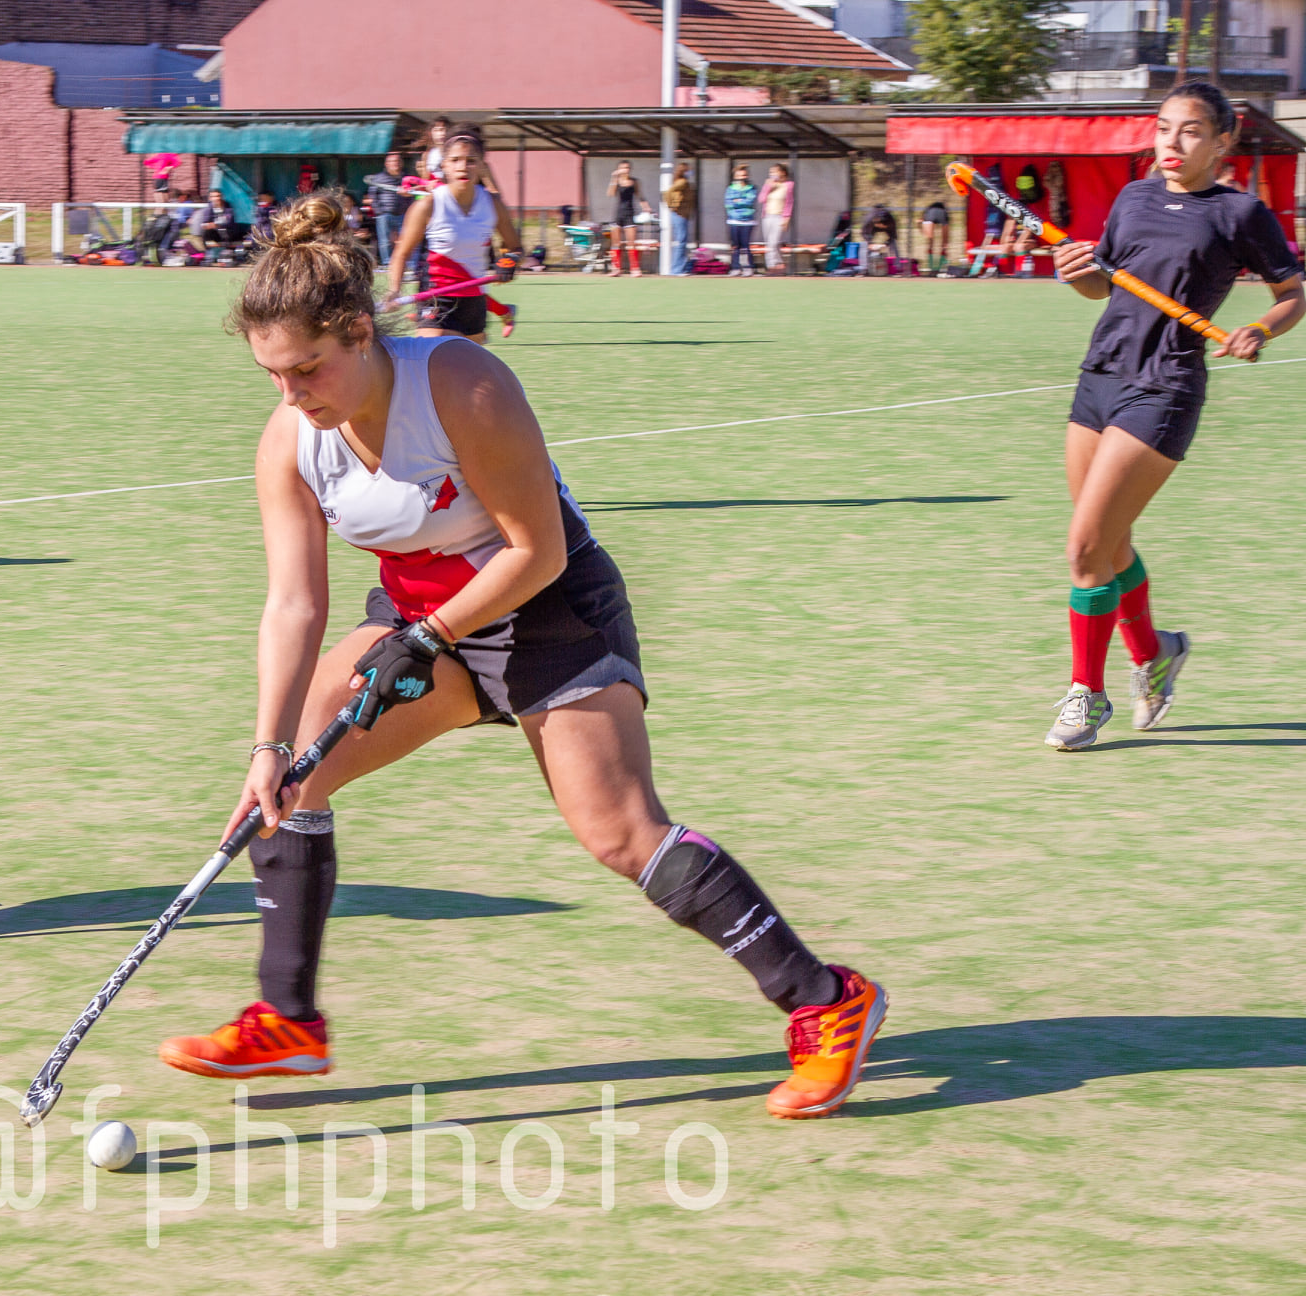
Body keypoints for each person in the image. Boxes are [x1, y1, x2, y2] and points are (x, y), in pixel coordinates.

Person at [154, 195, 888, 1121]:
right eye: (273, 377)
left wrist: (423, 640)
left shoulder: (459, 383)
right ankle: (289, 1022)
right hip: (428, 622)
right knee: (294, 778)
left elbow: (533, 548)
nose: (294, 396)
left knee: (619, 833)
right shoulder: (291, 440)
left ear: (358, 333)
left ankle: (825, 1002)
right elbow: (295, 602)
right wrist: (263, 747)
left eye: (308, 370)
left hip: (549, 616)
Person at [1044, 82, 1304, 750]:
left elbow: (1293, 293)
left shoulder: (1240, 213)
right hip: (1100, 375)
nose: (1171, 143)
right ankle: (1156, 651)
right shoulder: (1134, 197)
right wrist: (1077, 272)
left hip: (1165, 386)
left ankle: (1086, 695)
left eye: (1189, 131)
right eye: (1163, 128)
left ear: (1223, 141)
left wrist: (1260, 330)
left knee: (1083, 548)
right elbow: (1105, 281)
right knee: (1107, 542)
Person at [386, 127, 522, 343]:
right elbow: (401, 253)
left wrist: (509, 261)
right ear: (444, 166)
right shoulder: (429, 205)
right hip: (435, 296)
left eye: (471, 161)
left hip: (474, 300)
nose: (463, 167)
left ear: (481, 166)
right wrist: (394, 290)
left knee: (469, 371)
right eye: (455, 160)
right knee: (433, 355)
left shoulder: (493, 205)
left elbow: (515, 248)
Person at [363, 152, 412, 265]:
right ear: (386, 164)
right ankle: (387, 264)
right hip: (384, 214)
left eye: (398, 161)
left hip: (403, 214)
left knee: (405, 240)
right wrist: (379, 211)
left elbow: (411, 195)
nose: (395, 164)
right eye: (392, 161)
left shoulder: (407, 178)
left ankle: (405, 264)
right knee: (385, 241)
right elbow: (373, 195)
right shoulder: (379, 178)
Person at [604, 160, 649, 277]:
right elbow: (610, 193)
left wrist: (645, 206)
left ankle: (634, 268)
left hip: (629, 214)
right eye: (623, 168)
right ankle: (616, 268)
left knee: (631, 242)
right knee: (616, 243)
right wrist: (614, 178)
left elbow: (640, 196)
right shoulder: (617, 181)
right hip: (618, 214)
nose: (625, 170)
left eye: (627, 167)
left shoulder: (634, 182)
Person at [724, 164, 758, 276]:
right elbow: (728, 203)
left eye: (744, 175)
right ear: (735, 176)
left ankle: (748, 268)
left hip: (748, 220)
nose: (742, 177)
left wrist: (737, 201)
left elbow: (749, 201)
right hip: (734, 220)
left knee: (745, 245)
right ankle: (735, 268)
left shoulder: (751, 188)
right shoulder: (730, 188)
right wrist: (738, 202)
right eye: (739, 175)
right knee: (735, 246)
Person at [760, 162, 794, 274]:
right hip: (767, 216)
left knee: (774, 242)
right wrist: (768, 187)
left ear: (782, 172)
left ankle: (775, 265)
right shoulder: (769, 185)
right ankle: (774, 266)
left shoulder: (788, 185)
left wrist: (787, 218)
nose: (772, 174)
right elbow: (761, 199)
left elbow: (789, 203)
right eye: (771, 172)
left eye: (775, 171)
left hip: (779, 217)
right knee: (769, 244)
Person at [663, 168, 694, 275]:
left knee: (681, 241)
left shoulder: (682, 182)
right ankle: (677, 269)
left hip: (682, 214)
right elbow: (668, 192)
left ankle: (680, 267)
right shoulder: (682, 182)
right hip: (679, 214)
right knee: (681, 241)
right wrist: (671, 205)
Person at [919, 199, 949, 274]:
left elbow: (920, 221)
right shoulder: (943, 210)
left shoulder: (928, 210)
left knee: (930, 244)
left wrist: (921, 228)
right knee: (944, 245)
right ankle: (939, 268)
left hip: (929, 215)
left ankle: (932, 268)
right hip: (942, 215)